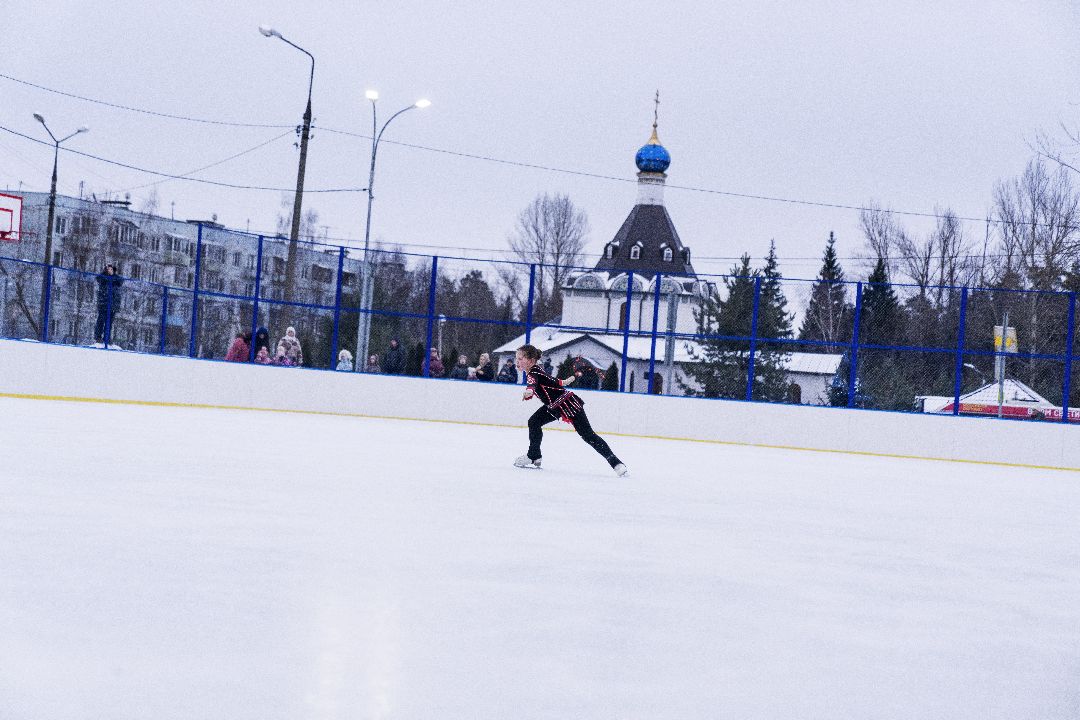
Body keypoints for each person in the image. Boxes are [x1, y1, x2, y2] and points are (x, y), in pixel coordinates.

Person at [513, 344, 628, 477]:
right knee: (534, 422)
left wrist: (529, 390)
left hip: (567, 404)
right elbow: (552, 380)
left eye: (521, 358)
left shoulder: (533, 373)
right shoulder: (537, 370)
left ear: (531, 361)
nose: (518, 361)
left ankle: (616, 463)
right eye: (517, 358)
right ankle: (534, 456)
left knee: (588, 435)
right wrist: (564, 382)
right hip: (555, 406)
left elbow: (533, 383)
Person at [94, 263, 124, 345]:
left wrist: (112, 275)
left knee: (109, 322)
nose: (109, 271)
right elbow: (98, 278)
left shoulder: (116, 279)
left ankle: (106, 338)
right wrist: (105, 273)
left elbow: (121, 281)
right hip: (103, 303)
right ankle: (98, 337)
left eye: (111, 269)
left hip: (113, 305)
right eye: (108, 269)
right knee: (101, 320)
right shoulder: (103, 278)